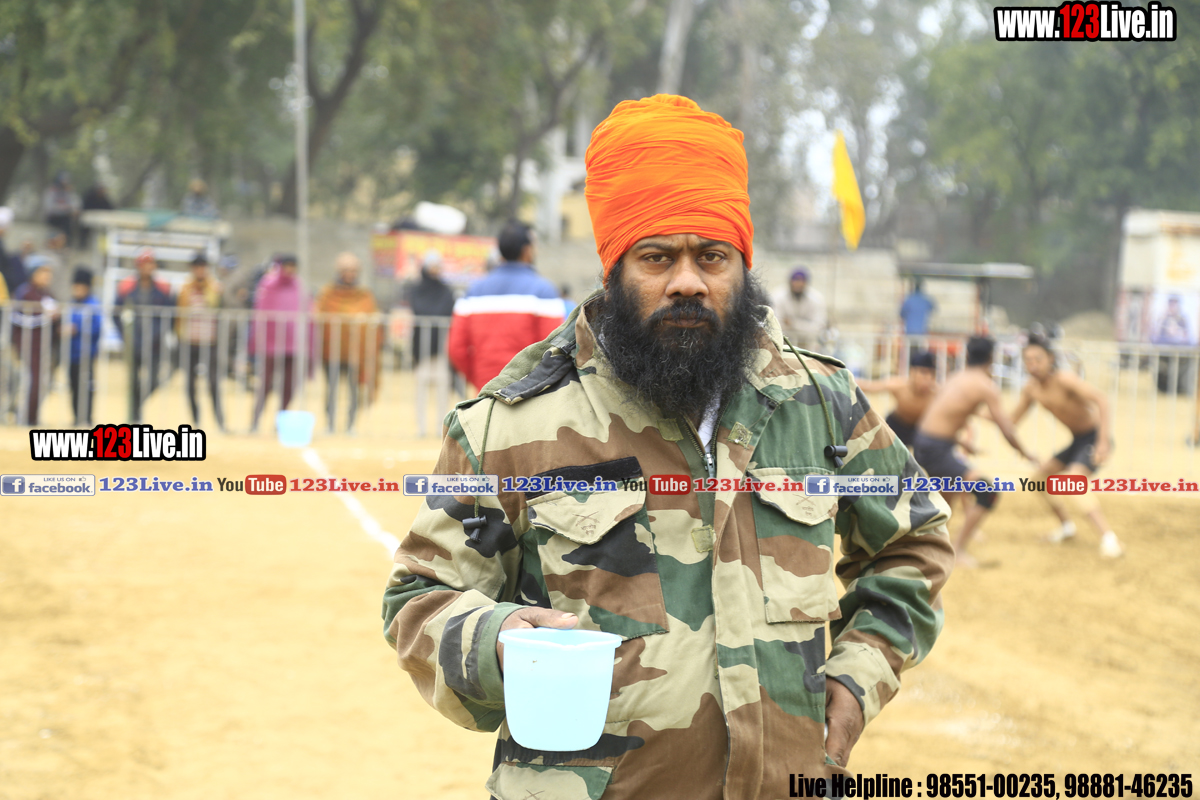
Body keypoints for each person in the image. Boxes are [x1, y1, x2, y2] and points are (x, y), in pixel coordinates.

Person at [382, 94, 954, 798]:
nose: (688, 281)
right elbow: (420, 597)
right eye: (657, 257)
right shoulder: (511, 426)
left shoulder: (820, 403)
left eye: (712, 256)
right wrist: (496, 639)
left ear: (742, 266)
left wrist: (861, 675)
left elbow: (914, 537)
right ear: (614, 271)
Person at [913, 336, 1037, 567]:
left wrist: (960, 441)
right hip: (936, 448)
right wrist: (1025, 453)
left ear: (968, 355)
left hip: (928, 443)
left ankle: (932, 547)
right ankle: (957, 551)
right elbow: (1006, 428)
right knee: (987, 491)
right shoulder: (985, 386)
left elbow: (945, 415)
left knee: (947, 496)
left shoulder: (956, 377)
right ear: (991, 357)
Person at [1011, 333, 1123, 558]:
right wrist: (976, 410)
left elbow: (1102, 400)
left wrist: (1103, 441)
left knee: (1073, 480)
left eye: (1038, 359)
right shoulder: (1031, 389)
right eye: (1028, 360)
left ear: (1050, 359)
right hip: (1077, 441)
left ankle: (1109, 539)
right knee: (1038, 480)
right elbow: (1010, 420)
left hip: (1094, 437)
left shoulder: (1064, 379)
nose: (1033, 365)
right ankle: (1067, 527)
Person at [446, 220, 563, 390]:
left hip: (485, 390)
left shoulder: (473, 292)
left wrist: (478, 378)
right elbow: (554, 349)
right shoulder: (544, 291)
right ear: (527, 250)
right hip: (528, 393)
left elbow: (456, 348)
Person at [314, 252, 381, 433]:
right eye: (346, 270)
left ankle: (351, 425)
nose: (350, 274)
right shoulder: (327, 293)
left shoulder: (365, 295)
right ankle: (330, 424)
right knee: (331, 390)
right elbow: (319, 317)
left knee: (354, 391)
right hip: (331, 352)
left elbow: (373, 319)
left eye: (353, 270)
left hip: (356, 354)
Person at [249, 254, 309, 431]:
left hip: (293, 345)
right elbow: (261, 312)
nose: (290, 270)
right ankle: (255, 421)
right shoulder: (268, 284)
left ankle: (280, 422)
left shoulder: (299, 286)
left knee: (289, 386)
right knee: (265, 384)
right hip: (271, 343)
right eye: (287, 266)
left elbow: (306, 311)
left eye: (293, 266)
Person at [115, 248, 174, 423]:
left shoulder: (163, 289)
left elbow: (169, 315)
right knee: (134, 380)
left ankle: (136, 408)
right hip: (134, 342)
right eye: (145, 263)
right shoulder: (127, 287)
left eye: (151, 263)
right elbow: (116, 312)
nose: (148, 267)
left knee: (155, 379)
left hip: (155, 343)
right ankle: (135, 415)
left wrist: (160, 333)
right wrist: (125, 334)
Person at [406, 250, 456, 437]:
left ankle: (440, 428)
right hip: (422, 348)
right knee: (421, 388)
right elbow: (419, 309)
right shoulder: (417, 290)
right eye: (432, 266)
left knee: (443, 389)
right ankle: (421, 428)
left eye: (437, 266)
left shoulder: (446, 291)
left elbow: (447, 310)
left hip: (442, 349)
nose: (435, 270)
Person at [176, 253, 226, 430]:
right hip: (189, 341)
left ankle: (220, 421)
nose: (200, 270)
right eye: (197, 267)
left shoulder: (215, 287)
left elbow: (218, 307)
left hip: (210, 341)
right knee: (190, 385)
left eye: (203, 267)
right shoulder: (185, 289)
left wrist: (209, 288)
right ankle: (196, 421)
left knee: (213, 383)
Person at [10, 258, 61, 425]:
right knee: (30, 381)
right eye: (43, 272)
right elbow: (18, 318)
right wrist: (45, 316)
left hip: (44, 346)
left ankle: (32, 416)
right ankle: (24, 416)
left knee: (43, 383)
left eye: (49, 272)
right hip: (28, 345)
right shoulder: (25, 292)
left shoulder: (47, 294)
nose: (47, 276)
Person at [857, 349, 939, 448]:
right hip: (896, 425)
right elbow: (869, 386)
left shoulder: (936, 394)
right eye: (923, 373)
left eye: (932, 374)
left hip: (918, 429)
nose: (928, 379)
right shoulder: (900, 386)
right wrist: (844, 378)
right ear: (912, 372)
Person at [66, 266, 103, 426]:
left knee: (87, 386)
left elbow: (97, 327)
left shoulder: (93, 304)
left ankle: (87, 417)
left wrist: (78, 328)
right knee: (73, 385)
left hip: (87, 353)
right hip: (71, 353)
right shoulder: (72, 304)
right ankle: (76, 417)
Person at [770, 265, 827, 350]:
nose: (798, 284)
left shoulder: (816, 299)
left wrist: (793, 323)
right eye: (796, 280)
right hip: (784, 344)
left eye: (802, 281)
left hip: (808, 345)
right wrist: (804, 326)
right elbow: (776, 325)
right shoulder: (778, 296)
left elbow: (818, 327)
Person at [43, 172, 80, 246]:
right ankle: (51, 243)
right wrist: (63, 207)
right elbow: (49, 207)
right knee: (53, 230)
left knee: (69, 225)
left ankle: (67, 245)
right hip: (53, 217)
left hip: (66, 217)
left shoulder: (69, 191)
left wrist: (73, 209)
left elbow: (76, 203)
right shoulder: (51, 191)